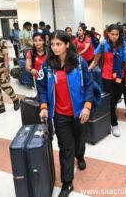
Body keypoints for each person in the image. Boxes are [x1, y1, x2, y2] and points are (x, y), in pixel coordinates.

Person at [37, 30, 94, 197]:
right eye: (52, 44)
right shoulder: (47, 65)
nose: (55, 48)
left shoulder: (79, 62)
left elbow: (90, 84)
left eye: (59, 44)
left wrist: (87, 106)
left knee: (80, 141)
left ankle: (80, 156)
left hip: (79, 113)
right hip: (60, 115)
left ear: (67, 44)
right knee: (65, 148)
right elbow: (41, 87)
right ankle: (67, 182)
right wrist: (44, 106)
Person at [89, 24, 126, 137]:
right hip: (106, 77)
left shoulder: (123, 45)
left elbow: (125, 61)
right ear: (108, 33)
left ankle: (112, 109)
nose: (114, 36)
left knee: (117, 97)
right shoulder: (103, 45)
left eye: (116, 34)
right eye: (112, 34)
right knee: (111, 101)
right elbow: (95, 61)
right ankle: (114, 124)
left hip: (119, 76)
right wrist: (87, 70)